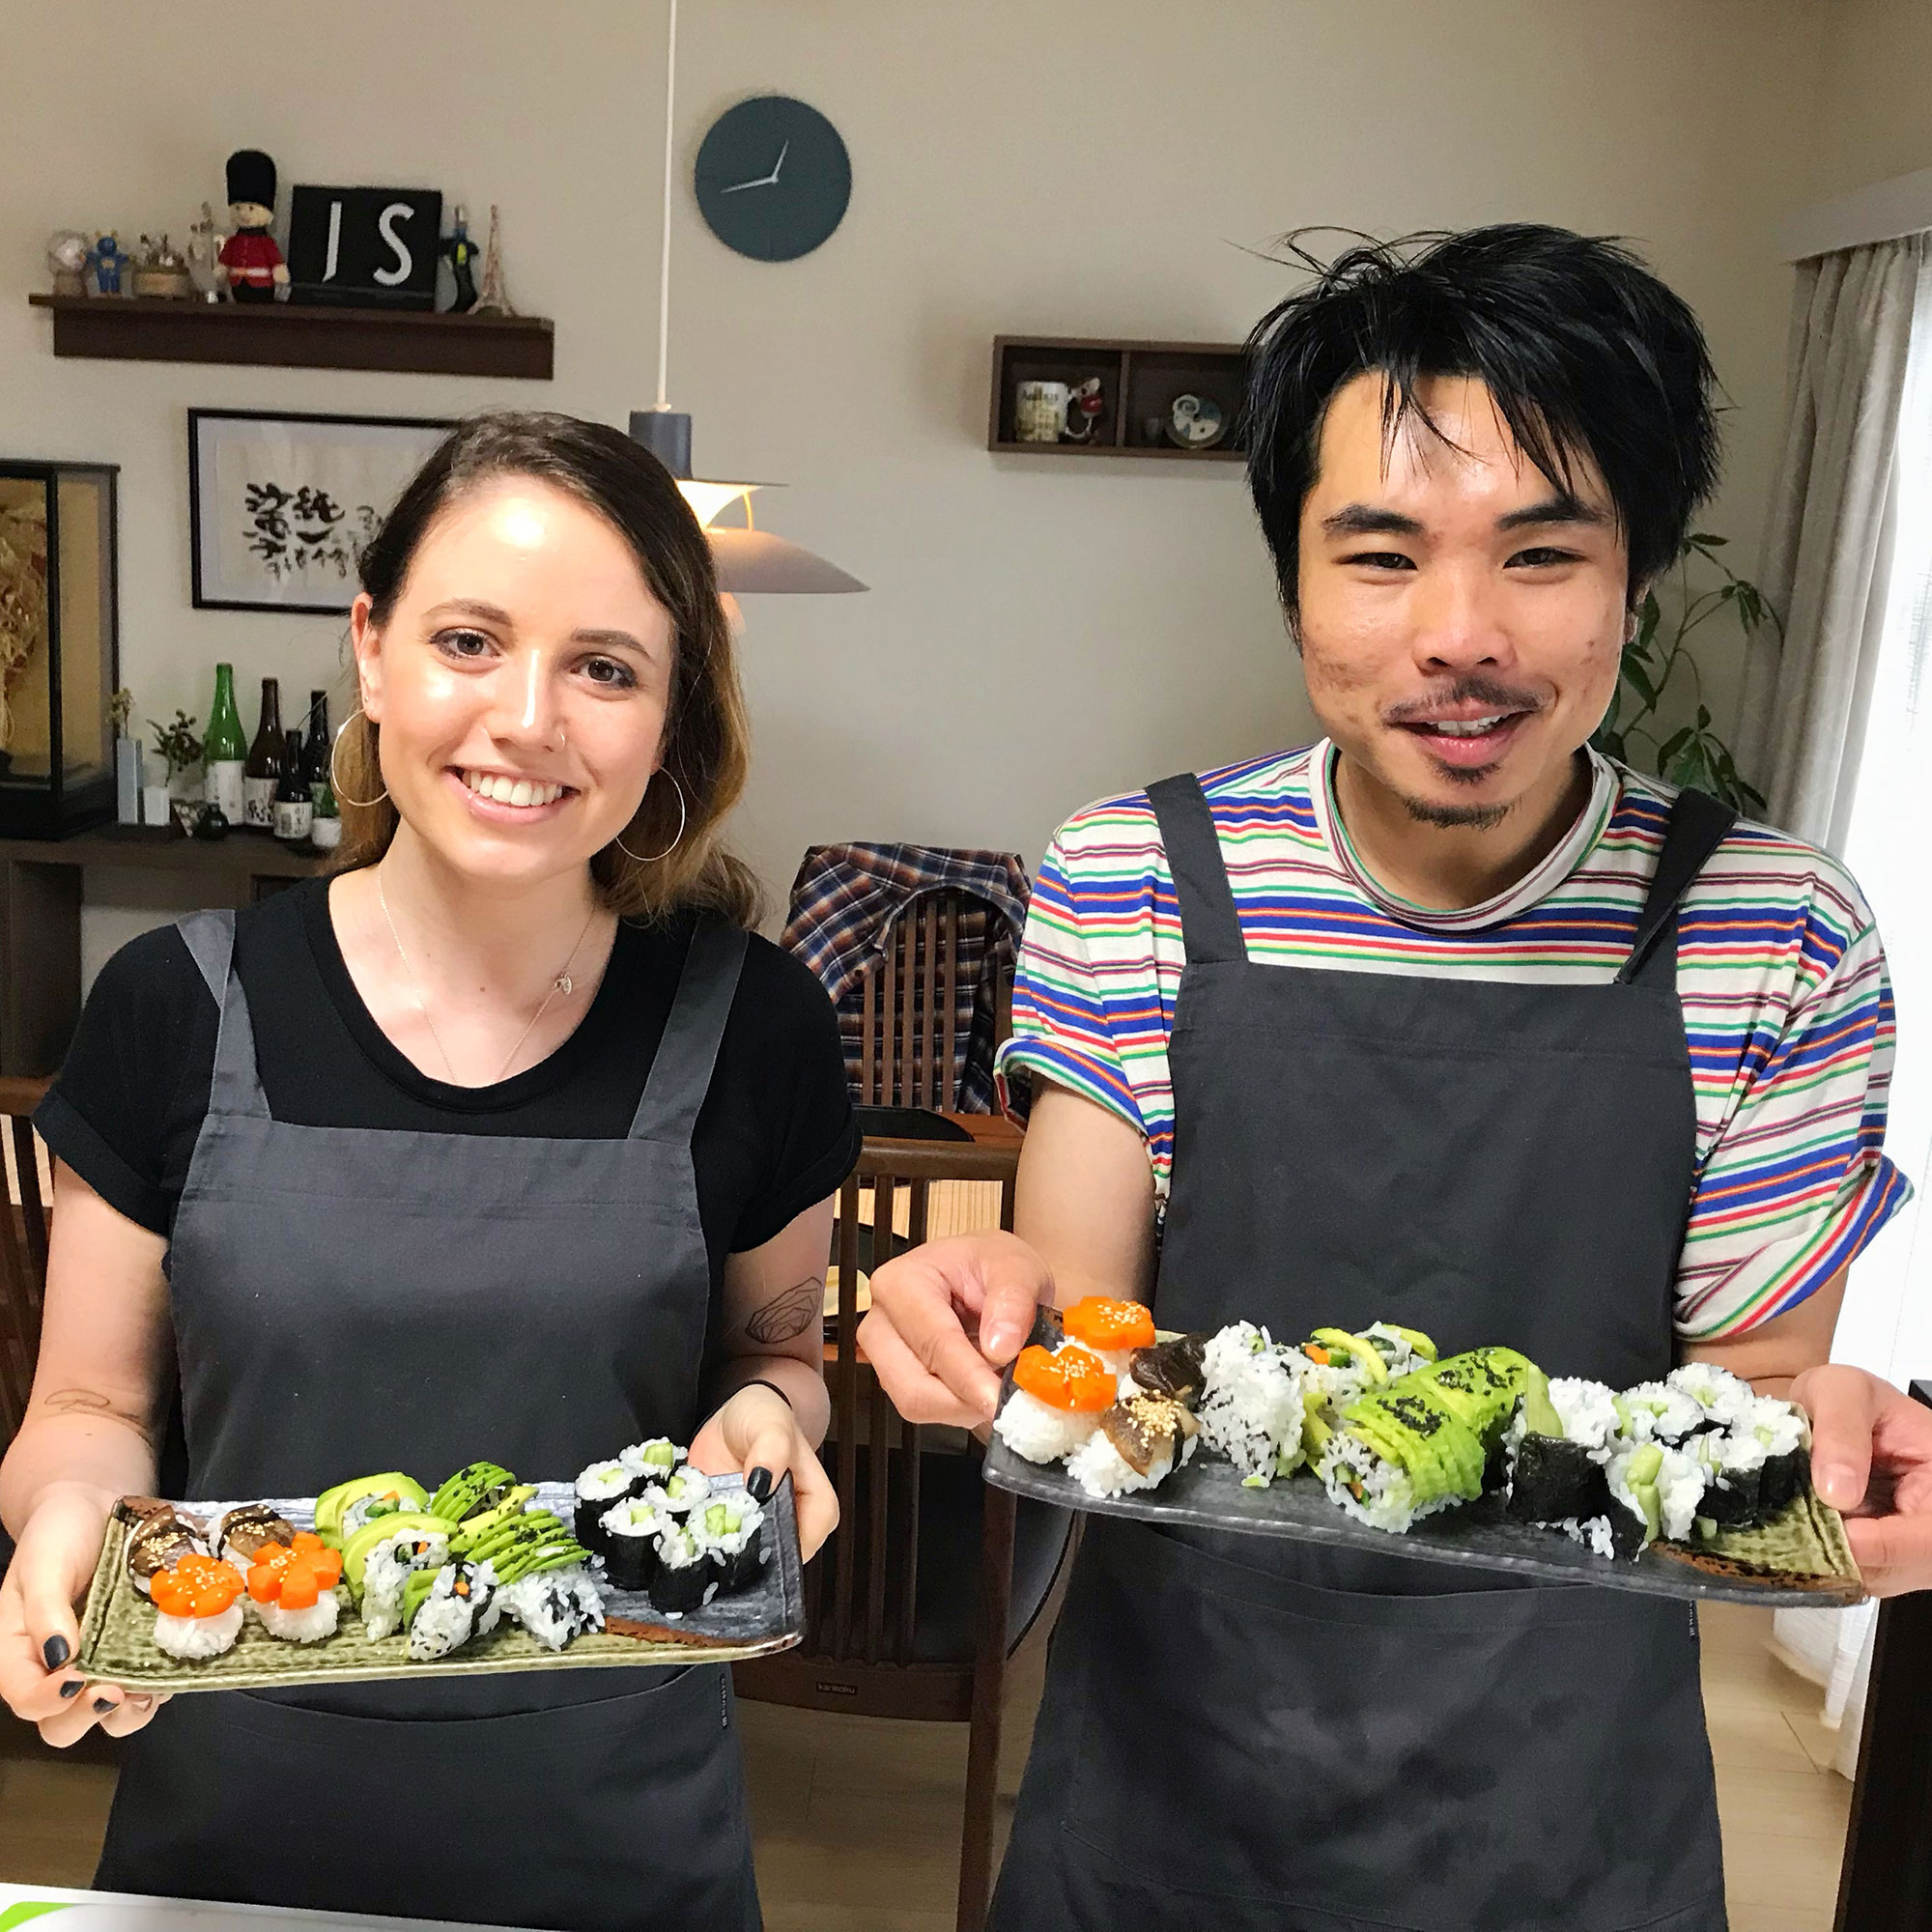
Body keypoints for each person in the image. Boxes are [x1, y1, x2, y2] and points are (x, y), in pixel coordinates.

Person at [860, 226, 1925, 1932]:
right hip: (1170, 1784)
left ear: (1632, 577)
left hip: (1566, 1813)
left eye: (1542, 554)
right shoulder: (1135, 868)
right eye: (1380, 554)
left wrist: (1837, 1479)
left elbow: (1738, 1417)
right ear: (1292, 582)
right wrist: (987, 1319)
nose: (1462, 633)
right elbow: (1083, 1340)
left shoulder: (1776, 929)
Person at [0, 412, 860, 1932]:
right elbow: (87, 1409)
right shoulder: (173, 1007)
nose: (527, 718)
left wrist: (765, 1421)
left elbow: (777, 1363)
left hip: (621, 1843)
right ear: (373, 651)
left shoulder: (760, 1025)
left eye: (605, 667)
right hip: (234, 1836)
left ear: (669, 717)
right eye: (471, 639)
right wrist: (70, 1521)